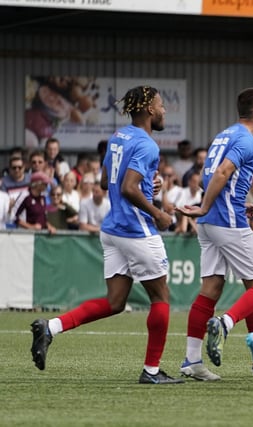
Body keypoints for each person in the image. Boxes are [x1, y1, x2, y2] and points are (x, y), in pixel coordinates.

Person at [30, 85, 183, 384]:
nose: (165, 111)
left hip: (112, 230)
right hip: (136, 231)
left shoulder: (118, 136)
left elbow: (104, 181)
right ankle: (152, 371)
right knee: (161, 296)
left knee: (115, 302)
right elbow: (127, 187)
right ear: (150, 109)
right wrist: (159, 214)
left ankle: (51, 328)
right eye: (162, 105)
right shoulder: (148, 145)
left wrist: (146, 188)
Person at [175, 88, 253, 381]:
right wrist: (206, 206)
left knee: (211, 288)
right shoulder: (246, 140)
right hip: (225, 222)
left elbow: (219, 176)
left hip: (214, 221)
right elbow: (221, 173)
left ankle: (192, 360)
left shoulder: (224, 135)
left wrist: (240, 204)